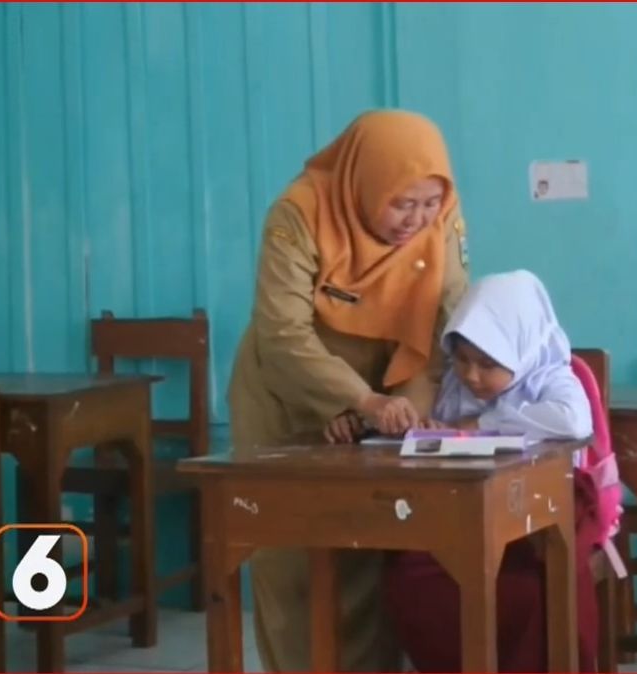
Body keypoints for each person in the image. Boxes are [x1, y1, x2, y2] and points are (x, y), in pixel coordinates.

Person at [226, 109, 470, 672]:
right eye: (401, 203)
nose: (416, 220)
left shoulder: (443, 215)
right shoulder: (300, 213)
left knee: (370, 543)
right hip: (288, 392)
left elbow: (445, 320)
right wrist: (351, 401)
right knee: (290, 557)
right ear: (365, 182)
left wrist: (403, 407)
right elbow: (282, 333)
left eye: (427, 204)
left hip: (388, 388)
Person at [372, 270, 602, 672]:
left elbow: (574, 423)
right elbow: (436, 430)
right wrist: (427, 430)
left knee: (529, 593)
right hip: (461, 522)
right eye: (461, 360)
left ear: (520, 350)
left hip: (533, 532)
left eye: (487, 364)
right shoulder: (455, 386)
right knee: (410, 579)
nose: (472, 376)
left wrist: (482, 426)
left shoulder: (550, 378)